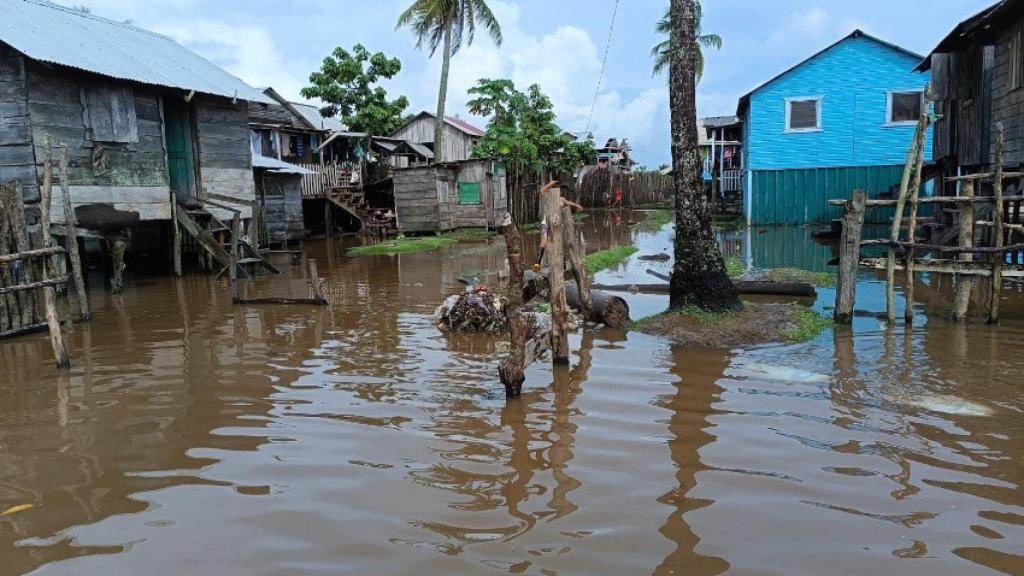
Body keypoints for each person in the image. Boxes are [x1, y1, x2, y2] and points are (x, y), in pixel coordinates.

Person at [537, 181, 583, 266]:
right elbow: (542, 190)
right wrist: (551, 183)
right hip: (546, 221)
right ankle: (538, 264)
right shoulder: (548, 196)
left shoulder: (561, 199)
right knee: (544, 242)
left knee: (557, 242)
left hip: (556, 223)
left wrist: (577, 205)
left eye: (559, 189)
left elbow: (568, 202)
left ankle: (562, 263)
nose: (559, 191)